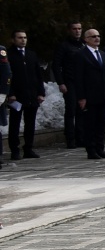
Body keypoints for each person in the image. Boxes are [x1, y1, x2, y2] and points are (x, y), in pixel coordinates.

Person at [71, 27, 105, 160]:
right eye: (93, 36)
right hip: (89, 95)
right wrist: (81, 97)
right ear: (86, 39)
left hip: (102, 94)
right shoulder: (80, 54)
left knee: (100, 124)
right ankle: (91, 150)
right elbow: (78, 77)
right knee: (90, 124)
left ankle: (100, 148)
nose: (97, 38)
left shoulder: (101, 54)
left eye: (98, 36)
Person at [6, 29, 45, 159]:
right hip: (17, 95)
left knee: (30, 123)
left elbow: (38, 75)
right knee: (15, 123)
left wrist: (41, 92)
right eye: (20, 37)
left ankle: (28, 148)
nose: (23, 40)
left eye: (25, 37)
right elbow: (6, 76)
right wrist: (10, 93)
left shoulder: (31, 54)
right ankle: (14, 150)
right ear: (13, 40)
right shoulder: (9, 55)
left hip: (32, 94)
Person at [53, 22, 84, 149]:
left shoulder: (83, 45)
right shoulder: (64, 46)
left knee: (82, 110)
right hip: (69, 82)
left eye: (79, 29)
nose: (77, 31)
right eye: (74, 29)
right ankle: (70, 139)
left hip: (82, 82)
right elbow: (56, 65)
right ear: (69, 30)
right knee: (71, 110)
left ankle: (80, 138)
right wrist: (61, 82)